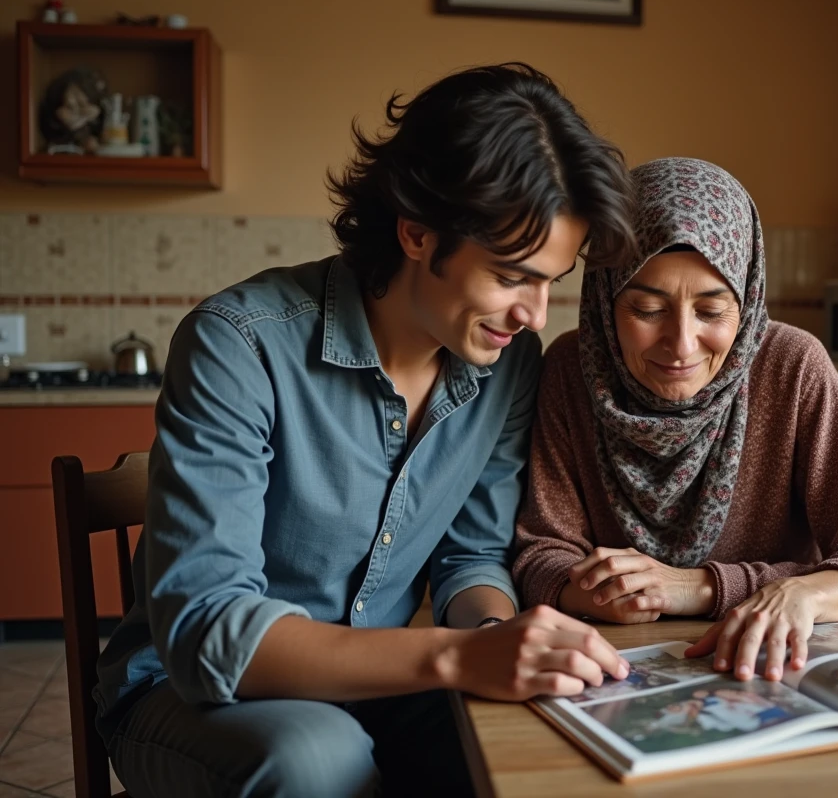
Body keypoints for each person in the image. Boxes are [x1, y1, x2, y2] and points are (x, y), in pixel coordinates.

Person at [93, 63, 638, 798]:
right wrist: (452, 661)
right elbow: (208, 632)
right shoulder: (238, 344)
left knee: (551, 740)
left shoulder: (509, 366)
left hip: (381, 685)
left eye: (551, 281)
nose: (535, 314)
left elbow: (471, 557)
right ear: (417, 233)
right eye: (512, 276)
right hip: (187, 696)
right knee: (317, 761)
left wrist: (491, 642)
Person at [512, 157, 838, 689]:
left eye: (713, 312)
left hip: (774, 670)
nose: (682, 344)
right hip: (611, 671)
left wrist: (737, 590)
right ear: (604, 301)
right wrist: (600, 591)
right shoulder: (568, 369)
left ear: (748, 298)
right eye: (647, 310)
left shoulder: (791, 366)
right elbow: (539, 552)